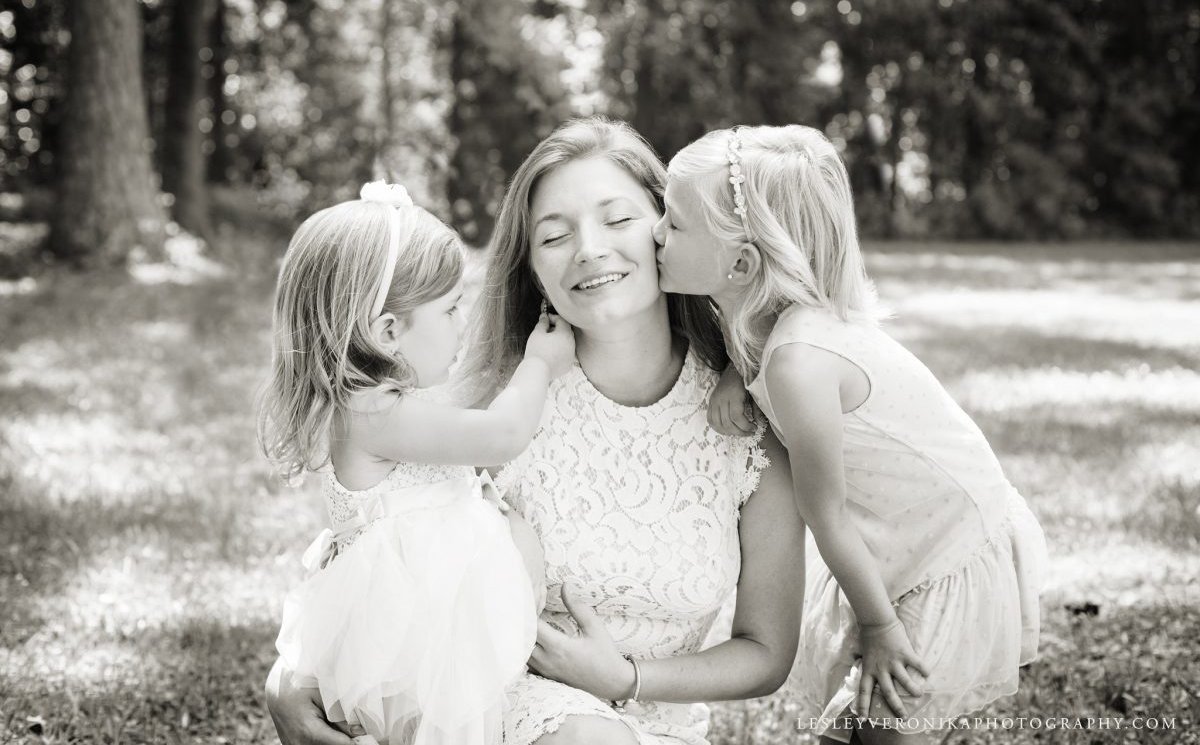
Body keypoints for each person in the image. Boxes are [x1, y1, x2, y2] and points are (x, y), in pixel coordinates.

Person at [265, 118, 807, 745]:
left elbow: (766, 652)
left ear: (668, 229)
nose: (588, 249)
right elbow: (374, 547)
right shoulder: (492, 404)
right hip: (503, 712)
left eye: (617, 219)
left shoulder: (749, 417)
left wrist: (627, 678)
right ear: (532, 268)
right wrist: (290, 676)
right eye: (555, 235)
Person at [654, 124, 1048, 743]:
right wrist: (735, 369)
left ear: (740, 263)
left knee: (889, 722)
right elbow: (762, 340)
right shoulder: (773, 325)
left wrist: (881, 626)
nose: (655, 231)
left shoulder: (798, 362)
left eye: (673, 223)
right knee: (850, 729)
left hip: (943, 549)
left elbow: (826, 512)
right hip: (904, 538)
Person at [258, 181, 576, 745]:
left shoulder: (387, 405)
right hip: (418, 649)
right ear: (387, 333)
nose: (463, 323)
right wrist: (540, 365)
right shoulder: (371, 414)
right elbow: (502, 435)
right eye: (451, 308)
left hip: (432, 635)